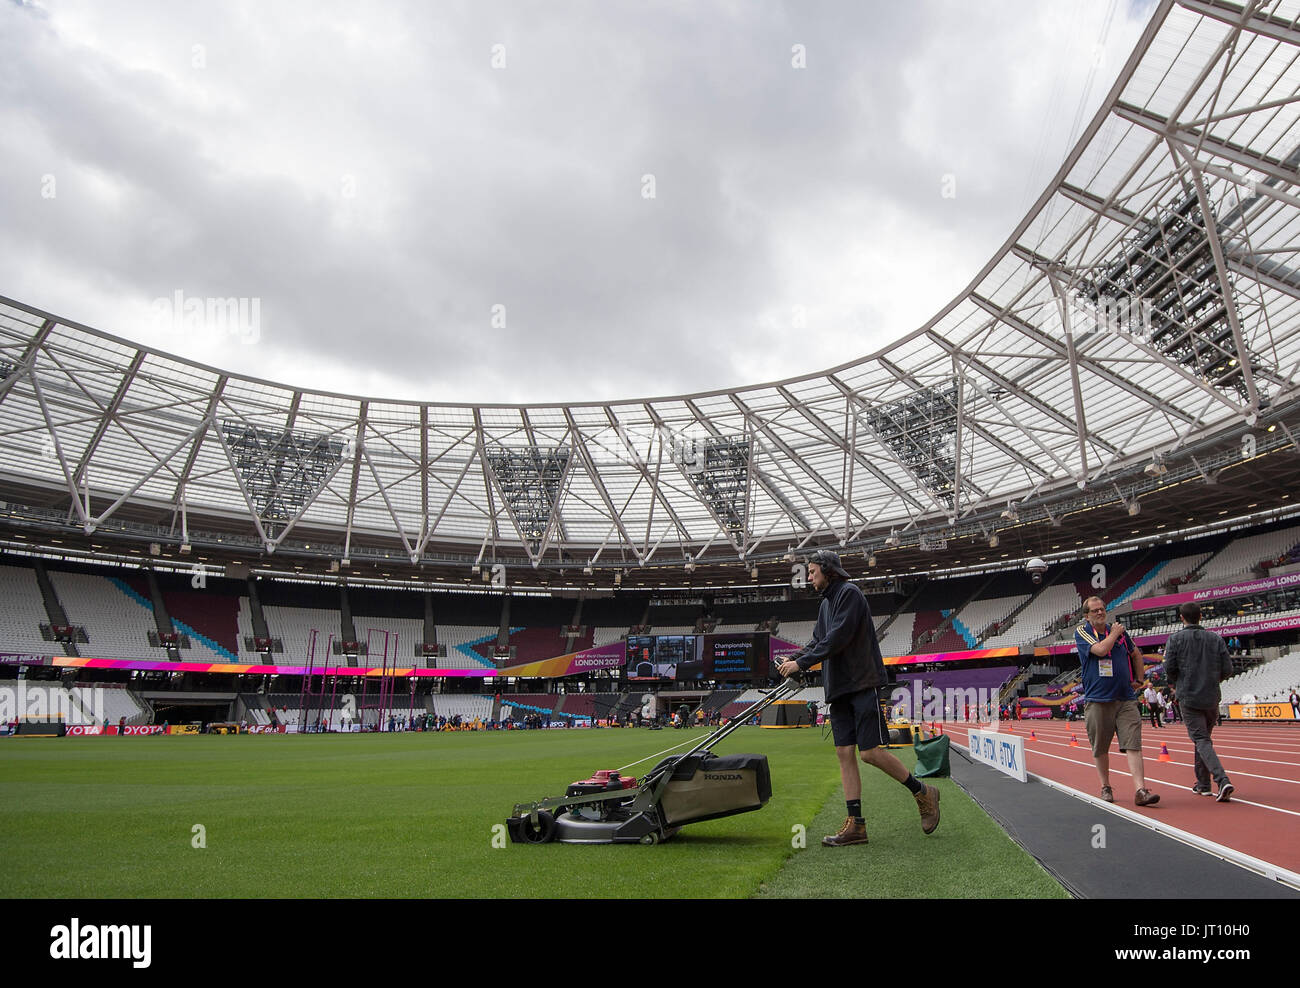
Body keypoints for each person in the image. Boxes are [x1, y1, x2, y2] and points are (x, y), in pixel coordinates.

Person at [776, 549, 940, 846]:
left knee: (869, 752)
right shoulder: (826, 604)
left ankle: (923, 792)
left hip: (860, 683)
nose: (809, 577)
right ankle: (856, 826)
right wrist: (795, 657)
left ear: (828, 570)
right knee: (843, 753)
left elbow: (837, 637)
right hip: (838, 688)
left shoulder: (849, 594)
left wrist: (801, 663)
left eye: (812, 572)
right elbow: (818, 641)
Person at [1075, 597, 1159, 806]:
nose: (1100, 613)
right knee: (1100, 747)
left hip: (1125, 698)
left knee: (1133, 743)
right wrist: (1114, 633)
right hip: (1098, 699)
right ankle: (1105, 786)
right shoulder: (1083, 632)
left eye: (1102, 609)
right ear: (1087, 615)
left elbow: (1136, 654)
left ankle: (1140, 790)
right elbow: (1101, 650)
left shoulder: (1121, 633)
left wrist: (1139, 679)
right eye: (1095, 611)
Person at [1162, 602, 1236, 801]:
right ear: (1201, 616)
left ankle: (1221, 780)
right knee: (1202, 740)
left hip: (1188, 695)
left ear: (1181, 618)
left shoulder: (1175, 639)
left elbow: (1169, 667)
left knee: (1201, 740)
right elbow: (1228, 669)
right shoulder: (1215, 639)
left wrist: (1178, 682)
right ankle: (1203, 784)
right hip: (1211, 696)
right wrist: (1213, 680)